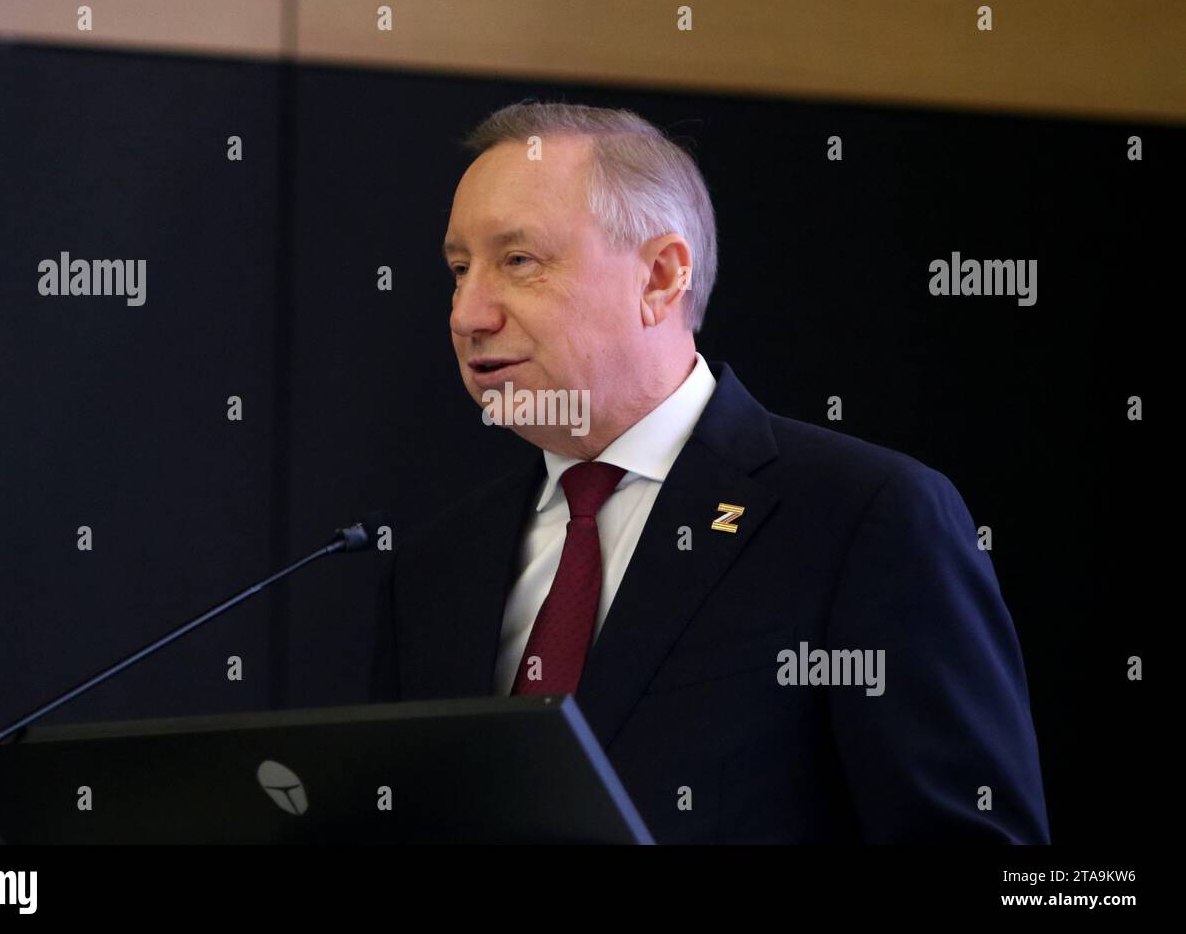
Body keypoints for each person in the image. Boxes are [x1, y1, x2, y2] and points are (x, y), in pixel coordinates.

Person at [371, 100, 1049, 843]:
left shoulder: (866, 519)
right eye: (459, 269)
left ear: (660, 278)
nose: (467, 313)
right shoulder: (436, 566)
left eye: (518, 262)